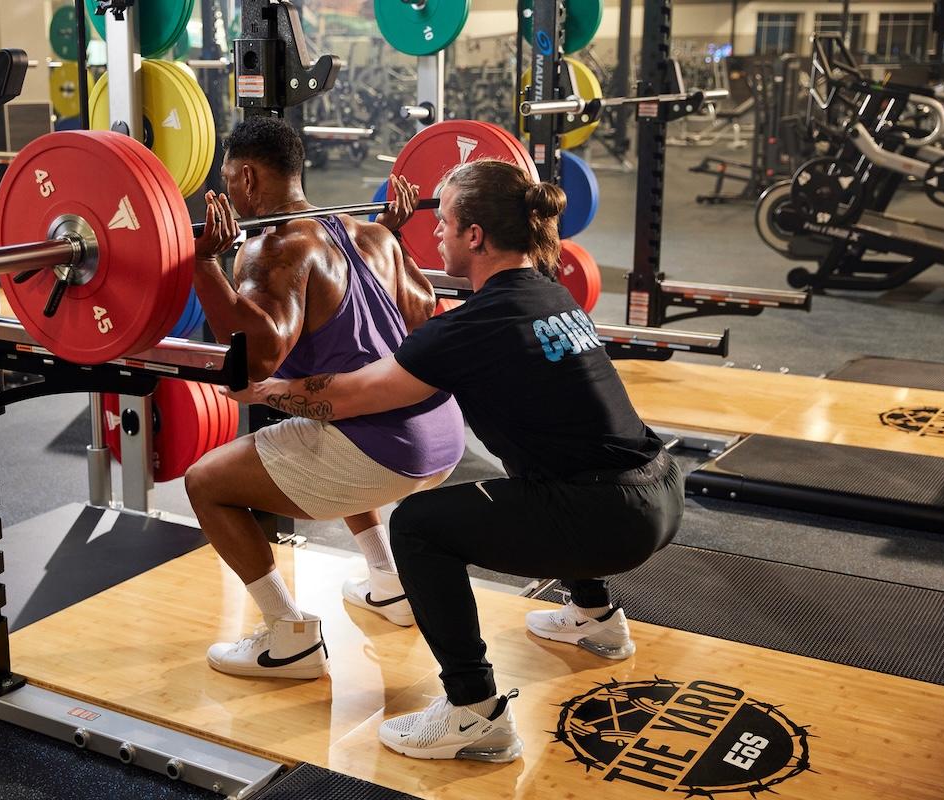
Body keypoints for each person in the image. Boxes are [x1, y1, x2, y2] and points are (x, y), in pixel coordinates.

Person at [228, 158, 685, 762]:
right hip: (661, 491)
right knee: (538, 455)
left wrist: (258, 393)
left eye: (443, 222)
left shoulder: (469, 330)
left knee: (418, 527)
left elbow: (346, 397)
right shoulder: (551, 293)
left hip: (606, 519)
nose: (435, 233)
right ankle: (595, 617)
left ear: (476, 236)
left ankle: (475, 712)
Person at [186, 117, 466, 680]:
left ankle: (288, 636)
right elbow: (421, 310)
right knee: (317, 431)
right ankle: (388, 584)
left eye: (227, 181)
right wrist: (396, 236)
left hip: (383, 449)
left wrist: (203, 265)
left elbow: (259, 358)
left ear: (245, 177)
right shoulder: (376, 234)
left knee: (205, 483)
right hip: (443, 438)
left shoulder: (273, 248)